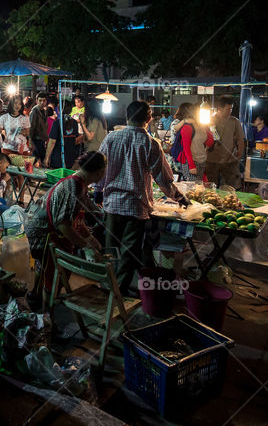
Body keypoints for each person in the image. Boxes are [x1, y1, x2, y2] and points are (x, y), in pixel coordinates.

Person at [99, 101, 189, 296]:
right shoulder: (151, 144)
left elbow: (100, 172)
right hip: (136, 208)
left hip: (112, 205)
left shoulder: (110, 139)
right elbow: (164, 181)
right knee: (127, 254)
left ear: (126, 116)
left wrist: (98, 191)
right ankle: (116, 295)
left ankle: (108, 288)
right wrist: (180, 198)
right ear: (148, 119)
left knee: (110, 251)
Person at [24, 151, 109, 299]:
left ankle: (36, 296)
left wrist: (89, 238)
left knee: (46, 266)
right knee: (53, 268)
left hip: (43, 225)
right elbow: (62, 225)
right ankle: (47, 308)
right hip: (41, 230)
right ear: (100, 172)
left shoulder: (80, 184)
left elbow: (77, 218)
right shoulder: (73, 186)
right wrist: (86, 246)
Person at [204, 96, 245, 189]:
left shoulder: (234, 121)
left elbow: (240, 140)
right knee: (210, 187)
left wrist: (239, 155)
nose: (230, 111)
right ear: (219, 109)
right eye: (228, 109)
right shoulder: (208, 120)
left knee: (231, 187)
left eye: (231, 109)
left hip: (229, 160)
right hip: (211, 160)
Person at [170, 103, 213, 182]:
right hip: (191, 161)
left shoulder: (202, 125)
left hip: (202, 161)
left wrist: (208, 128)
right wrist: (191, 165)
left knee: (199, 187)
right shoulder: (187, 127)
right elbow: (186, 147)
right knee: (193, 188)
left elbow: (209, 143)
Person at [29, 93, 49, 165]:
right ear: (37, 101)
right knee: (35, 159)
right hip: (36, 139)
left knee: (40, 159)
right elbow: (31, 128)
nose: (42, 102)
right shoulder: (34, 112)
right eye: (40, 100)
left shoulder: (44, 111)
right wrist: (30, 141)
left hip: (42, 139)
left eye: (44, 100)